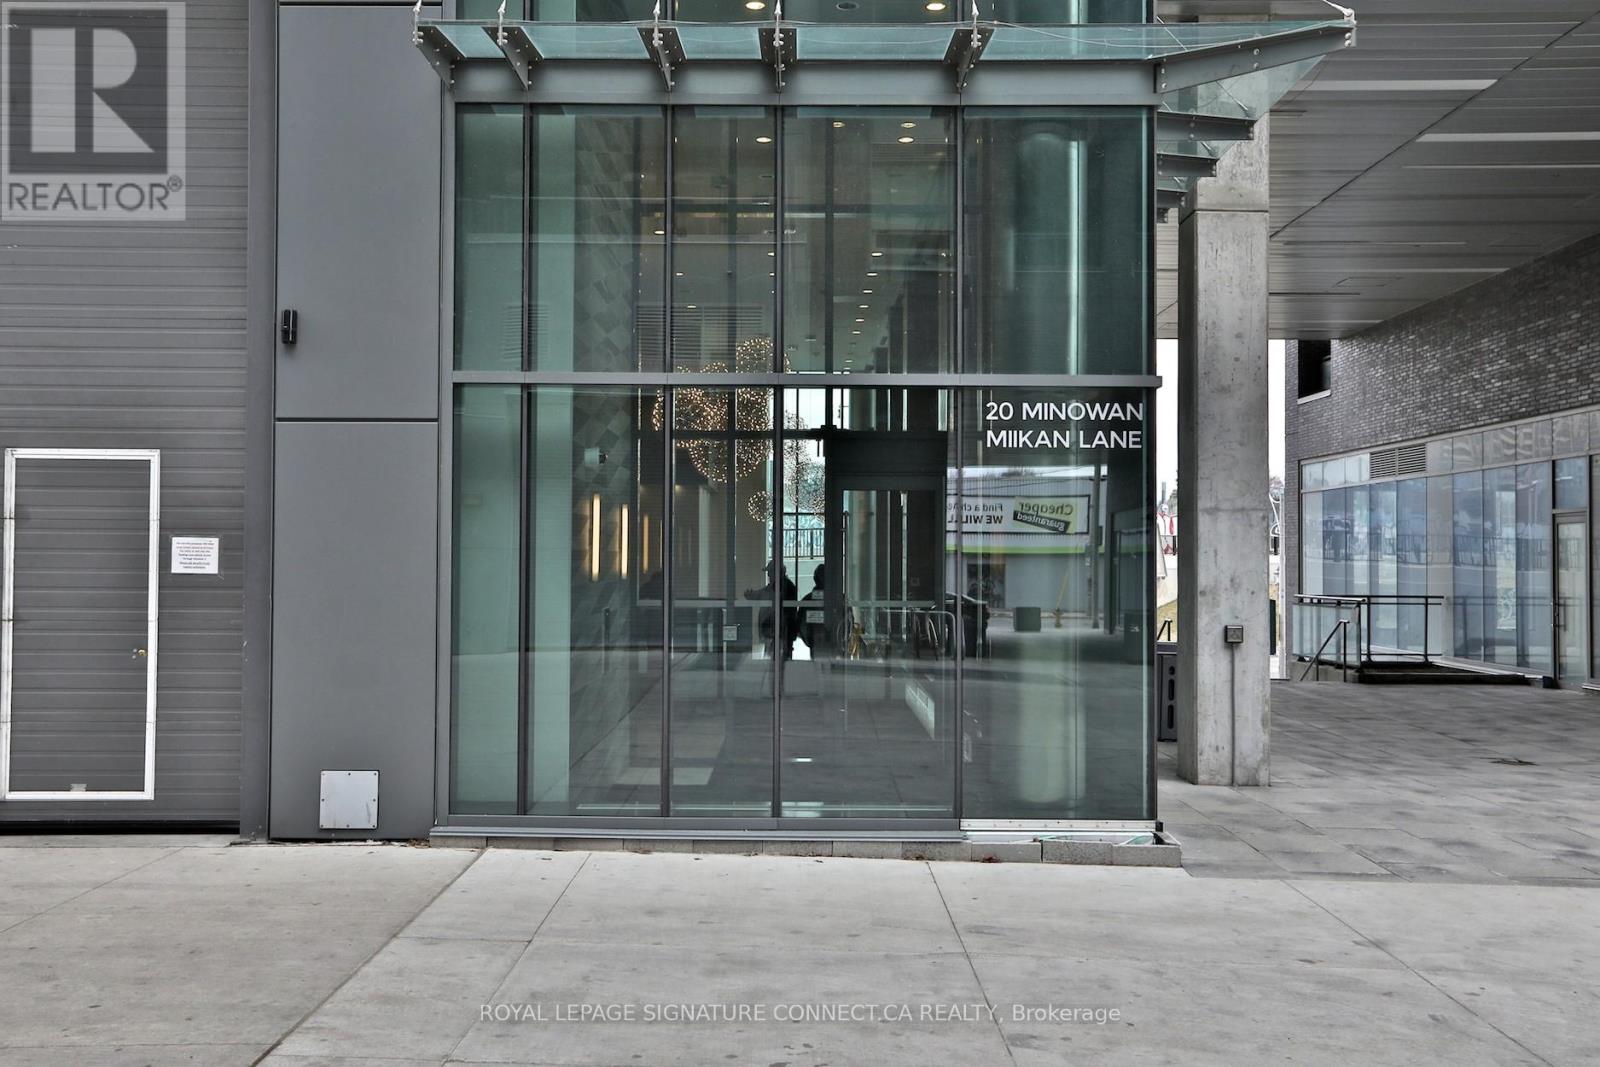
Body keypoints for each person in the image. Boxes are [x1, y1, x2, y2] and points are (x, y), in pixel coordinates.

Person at [743, 560, 797, 660]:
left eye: (770, 572)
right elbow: (762, 594)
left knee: (777, 659)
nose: (768, 575)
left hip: (778, 631)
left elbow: (766, 595)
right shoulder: (778, 586)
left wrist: (753, 595)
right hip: (774, 631)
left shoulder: (782, 586)